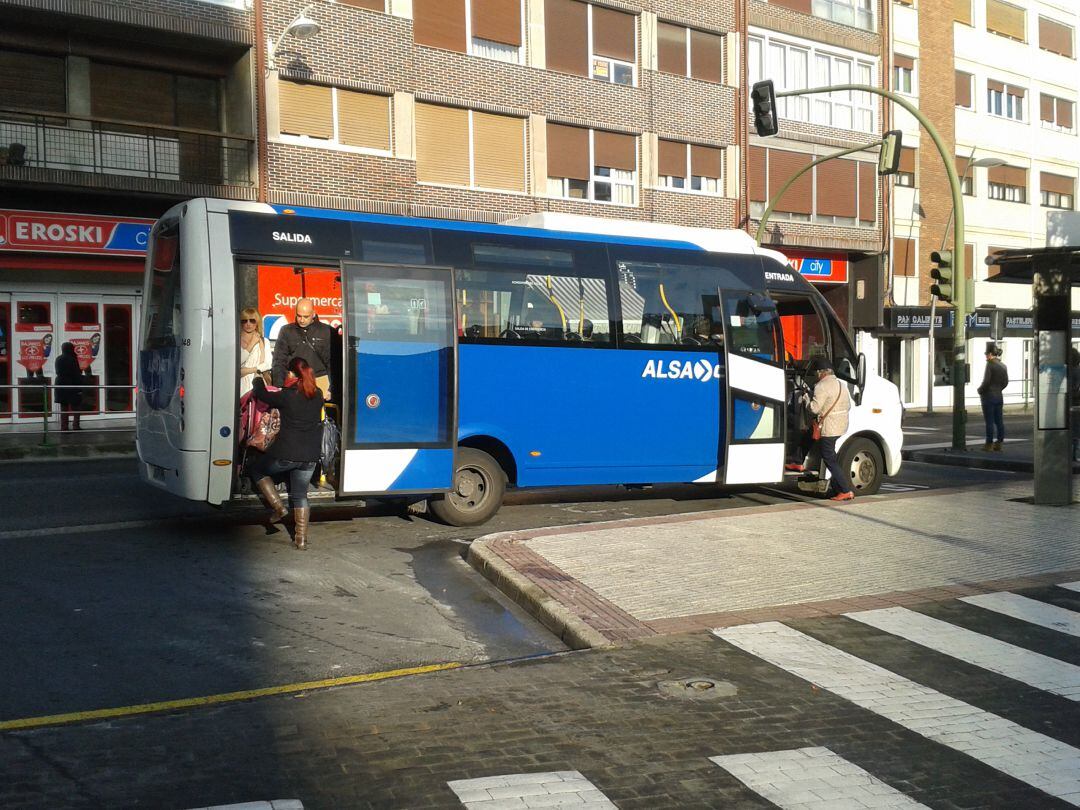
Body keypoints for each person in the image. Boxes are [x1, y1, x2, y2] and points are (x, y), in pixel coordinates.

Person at [249, 356, 325, 550]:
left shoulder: (287, 395)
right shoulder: (317, 394)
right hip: (310, 456)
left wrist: (258, 378)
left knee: (257, 470)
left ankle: (278, 507)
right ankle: (301, 539)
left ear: (291, 374)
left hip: (286, 453)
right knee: (300, 495)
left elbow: (261, 393)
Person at [803, 357, 854, 502]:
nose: (817, 376)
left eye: (817, 373)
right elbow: (848, 405)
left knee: (829, 459)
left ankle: (845, 490)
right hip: (841, 426)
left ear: (822, 373)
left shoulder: (821, 386)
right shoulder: (840, 384)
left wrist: (807, 398)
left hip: (829, 427)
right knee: (831, 457)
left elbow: (814, 408)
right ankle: (839, 488)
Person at [271, 298, 333, 400]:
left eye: (306, 316)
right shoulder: (286, 331)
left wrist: (331, 389)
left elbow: (333, 363)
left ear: (313, 314)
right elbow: (279, 361)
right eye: (299, 316)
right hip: (294, 382)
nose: (302, 319)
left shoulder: (327, 331)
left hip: (320, 380)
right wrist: (279, 387)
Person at [977, 346, 1008, 451]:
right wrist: (999, 389)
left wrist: (980, 390)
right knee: (999, 421)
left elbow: (986, 381)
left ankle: (989, 443)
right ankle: (999, 442)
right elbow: (1005, 382)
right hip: (999, 396)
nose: (986, 356)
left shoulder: (990, 365)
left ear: (990, 354)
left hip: (988, 396)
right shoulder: (1003, 366)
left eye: (986, 354)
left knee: (989, 421)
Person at [238, 307, 272, 399]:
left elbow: (267, 364)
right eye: (244, 321)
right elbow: (237, 362)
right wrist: (252, 343)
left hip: (258, 384)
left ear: (257, 323)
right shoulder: (235, 341)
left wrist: (245, 371)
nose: (248, 324)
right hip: (239, 387)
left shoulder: (264, 341)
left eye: (252, 321)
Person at [55, 342, 85, 431]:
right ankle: (76, 425)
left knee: (64, 407)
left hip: (60, 384)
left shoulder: (58, 359)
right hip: (72, 384)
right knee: (76, 406)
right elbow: (76, 374)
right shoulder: (72, 359)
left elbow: (58, 371)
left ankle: (64, 427)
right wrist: (80, 387)